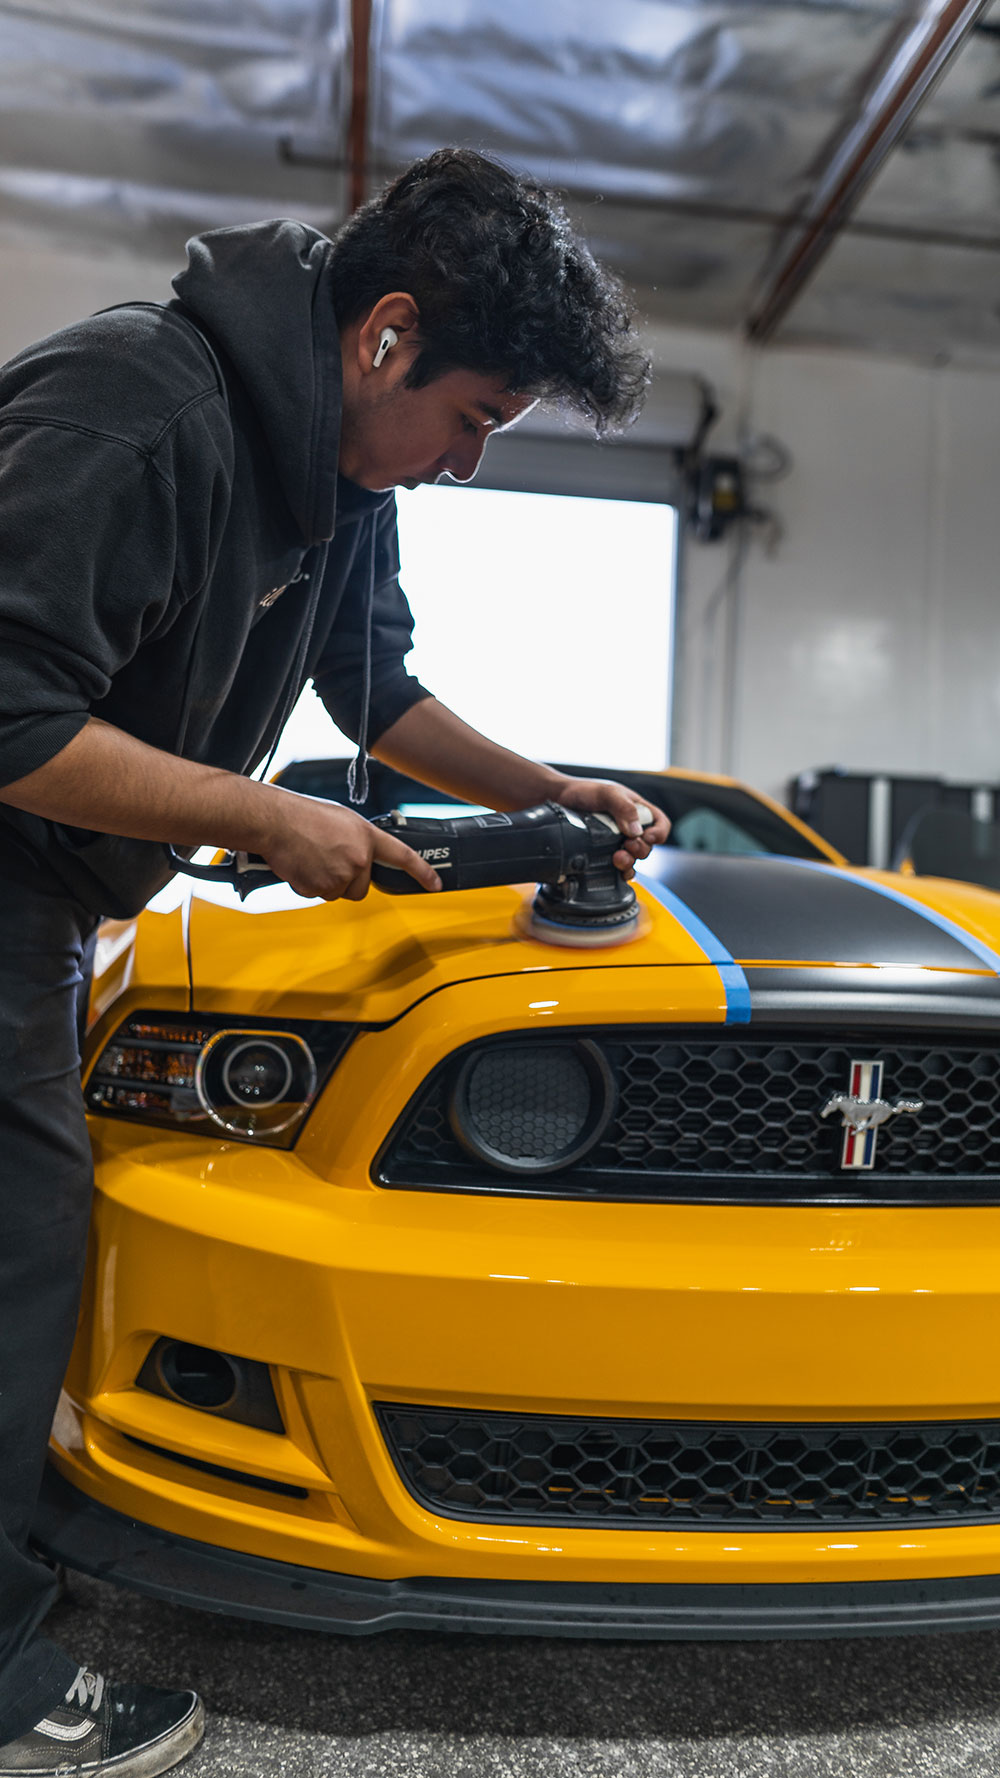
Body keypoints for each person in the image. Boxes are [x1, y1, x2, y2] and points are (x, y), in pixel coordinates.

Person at [0, 147, 668, 1775]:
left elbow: (372, 686)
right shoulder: (135, 411)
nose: (468, 459)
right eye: (477, 419)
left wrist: (543, 788)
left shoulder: (335, 478)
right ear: (384, 338)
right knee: (16, 1238)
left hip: (39, 896)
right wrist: (257, 816)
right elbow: (9, 715)